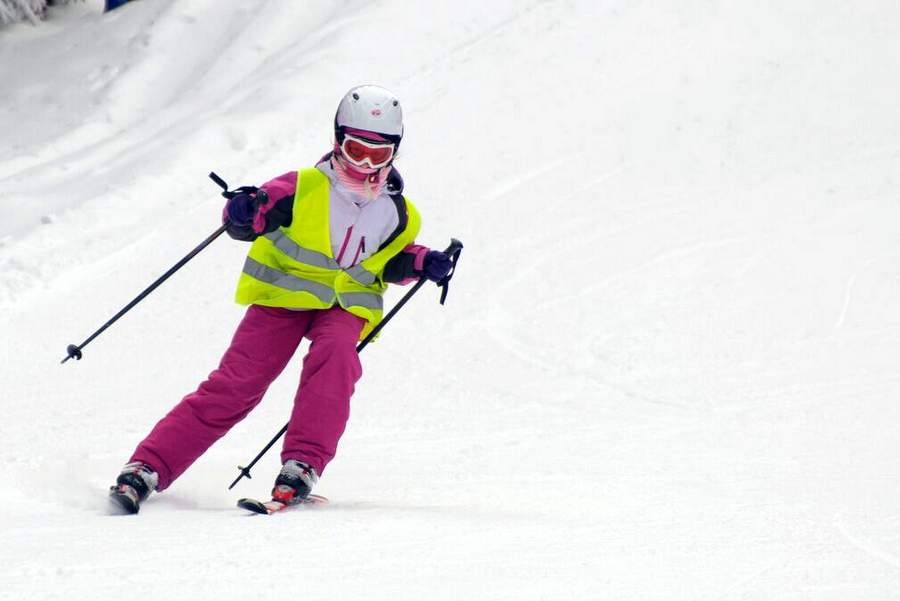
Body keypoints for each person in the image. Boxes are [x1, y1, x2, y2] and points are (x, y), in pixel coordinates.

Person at [109, 85, 453, 513]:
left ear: (394, 153)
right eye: (355, 149)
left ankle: (302, 465)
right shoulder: (303, 186)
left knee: (336, 357)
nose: (363, 163)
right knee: (236, 386)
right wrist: (241, 211)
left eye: (377, 154)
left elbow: (392, 258)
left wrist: (426, 262)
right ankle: (147, 467)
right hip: (282, 300)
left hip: (345, 306)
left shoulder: (400, 212)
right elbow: (254, 216)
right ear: (337, 141)